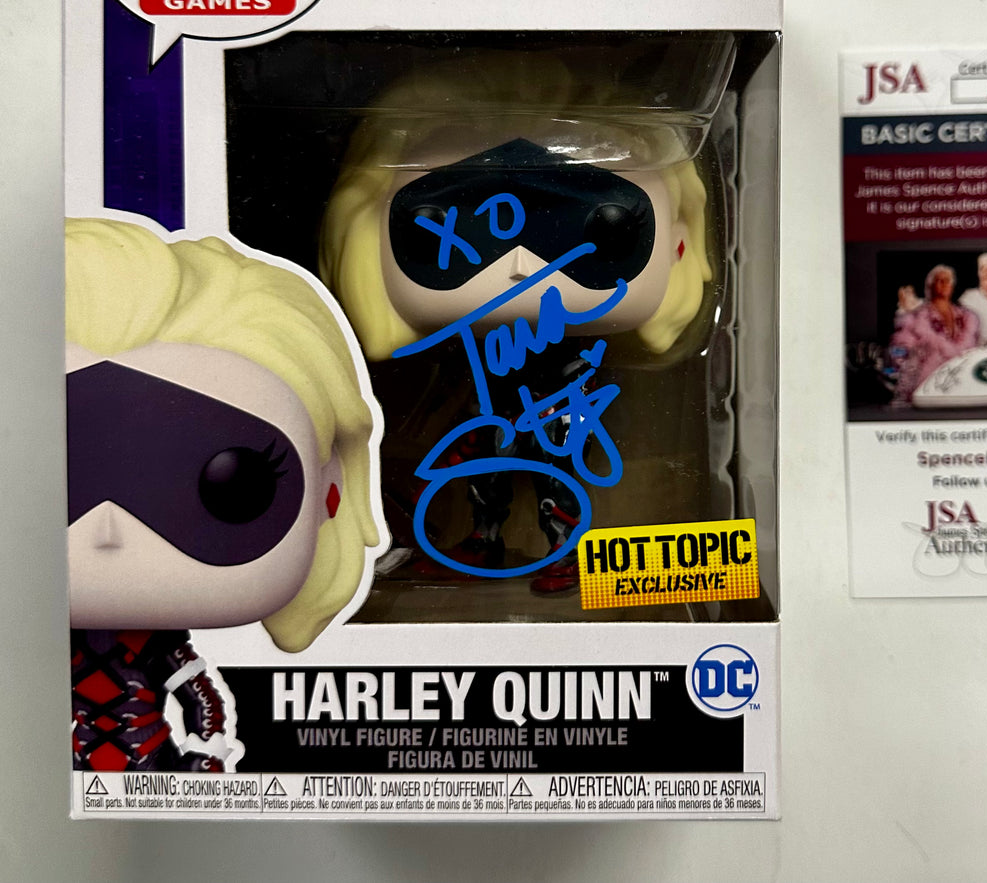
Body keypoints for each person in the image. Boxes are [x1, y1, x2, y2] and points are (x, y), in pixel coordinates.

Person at [319, 54, 714, 592]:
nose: (522, 262)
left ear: (678, 240)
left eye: (602, 222)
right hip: (497, 397)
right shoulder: (458, 347)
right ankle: (488, 539)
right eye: (442, 219)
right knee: (489, 465)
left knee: (555, 463)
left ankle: (563, 548)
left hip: (560, 393)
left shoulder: (576, 347)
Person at [66, 218, 379, 771]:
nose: (108, 529)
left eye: (234, 486)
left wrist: (208, 756)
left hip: (152, 764)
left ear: (331, 493)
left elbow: (203, 702)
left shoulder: (157, 647)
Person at [890, 264, 979, 403]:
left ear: (952, 286)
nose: (944, 284)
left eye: (947, 280)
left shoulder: (966, 318)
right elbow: (900, 352)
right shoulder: (915, 318)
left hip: (960, 387)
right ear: (930, 286)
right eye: (939, 280)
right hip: (925, 388)